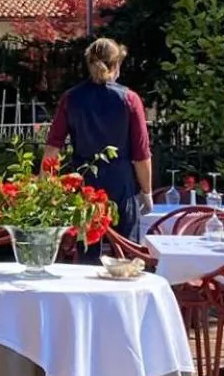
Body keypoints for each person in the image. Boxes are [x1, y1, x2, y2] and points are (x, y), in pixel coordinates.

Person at [42, 39, 154, 251]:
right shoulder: (130, 99)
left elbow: (53, 148)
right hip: (121, 183)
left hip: (84, 182)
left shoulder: (71, 98)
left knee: (86, 254)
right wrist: (147, 192)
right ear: (116, 65)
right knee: (124, 252)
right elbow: (141, 154)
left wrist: (45, 188)